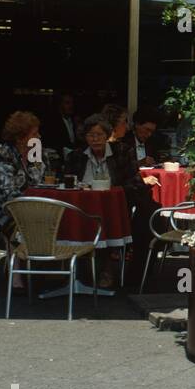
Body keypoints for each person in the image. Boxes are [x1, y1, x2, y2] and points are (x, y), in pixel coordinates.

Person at [64, 114, 158, 281]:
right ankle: (80, 269)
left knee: (110, 218)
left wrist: (115, 190)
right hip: (82, 208)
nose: (95, 139)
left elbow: (135, 182)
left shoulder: (121, 152)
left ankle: (107, 268)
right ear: (85, 137)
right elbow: (67, 182)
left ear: (107, 135)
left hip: (114, 207)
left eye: (99, 135)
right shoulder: (76, 156)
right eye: (91, 135)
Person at [0, 111, 45, 232]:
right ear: (20, 138)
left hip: (24, 208)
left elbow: (39, 185)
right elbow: (6, 193)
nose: (39, 137)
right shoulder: (3, 155)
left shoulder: (33, 155)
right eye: (34, 134)